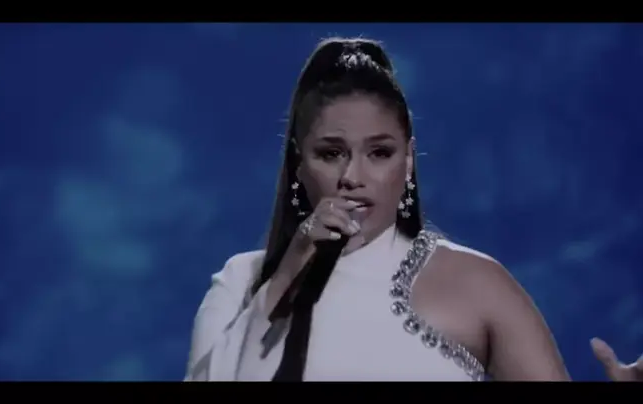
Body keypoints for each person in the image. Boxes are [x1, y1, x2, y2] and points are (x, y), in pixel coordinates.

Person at [184, 37, 643, 381]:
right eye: (331, 153)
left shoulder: (477, 283)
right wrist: (289, 272)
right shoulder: (241, 283)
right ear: (298, 164)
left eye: (379, 153)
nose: (353, 176)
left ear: (407, 163)